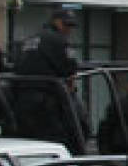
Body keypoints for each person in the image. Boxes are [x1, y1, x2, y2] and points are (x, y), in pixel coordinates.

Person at [14, 9, 82, 153]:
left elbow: (17, 67)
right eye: (66, 25)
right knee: (58, 145)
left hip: (22, 102)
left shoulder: (28, 40)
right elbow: (70, 69)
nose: (69, 30)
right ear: (56, 22)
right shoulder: (59, 41)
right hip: (46, 104)